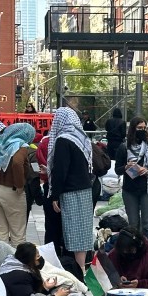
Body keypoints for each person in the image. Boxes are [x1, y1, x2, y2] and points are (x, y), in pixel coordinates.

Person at [47, 107, 95, 273]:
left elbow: (60, 170)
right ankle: (82, 268)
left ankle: (79, 271)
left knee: (73, 232)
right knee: (82, 232)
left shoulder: (63, 140)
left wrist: (54, 195)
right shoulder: (82, 138)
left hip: (71, 191)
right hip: (85, 189)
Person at [0, 122, 37, 246]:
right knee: (17, 233)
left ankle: (0, 259)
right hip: (11, 191)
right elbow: (16, 163)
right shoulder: (20, 145)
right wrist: (20, 184)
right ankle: (16, 262)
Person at [115, 116, 148, 243]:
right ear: (133, 129)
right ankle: (134, 251)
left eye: (144, 128)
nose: (142, 130)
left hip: (147, 188)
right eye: (139, 128)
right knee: (133, 225)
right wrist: (126, 167)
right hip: (130, 189)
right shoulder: (124, 147)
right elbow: (117, 169)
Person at [0, 242, 72, 296]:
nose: (39, 259)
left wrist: (45, 287)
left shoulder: (13, 264)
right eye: (37, 256)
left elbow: (29, 293)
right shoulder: (19, 277)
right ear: (29, 259)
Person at [108, 227, 148, 293]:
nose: (126, 253)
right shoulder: (114, 255)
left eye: (129, 250)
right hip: (122, 292)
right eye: (123, 252)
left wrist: (140, 284)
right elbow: (104, 278)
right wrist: (117, 280)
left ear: (138, 246)